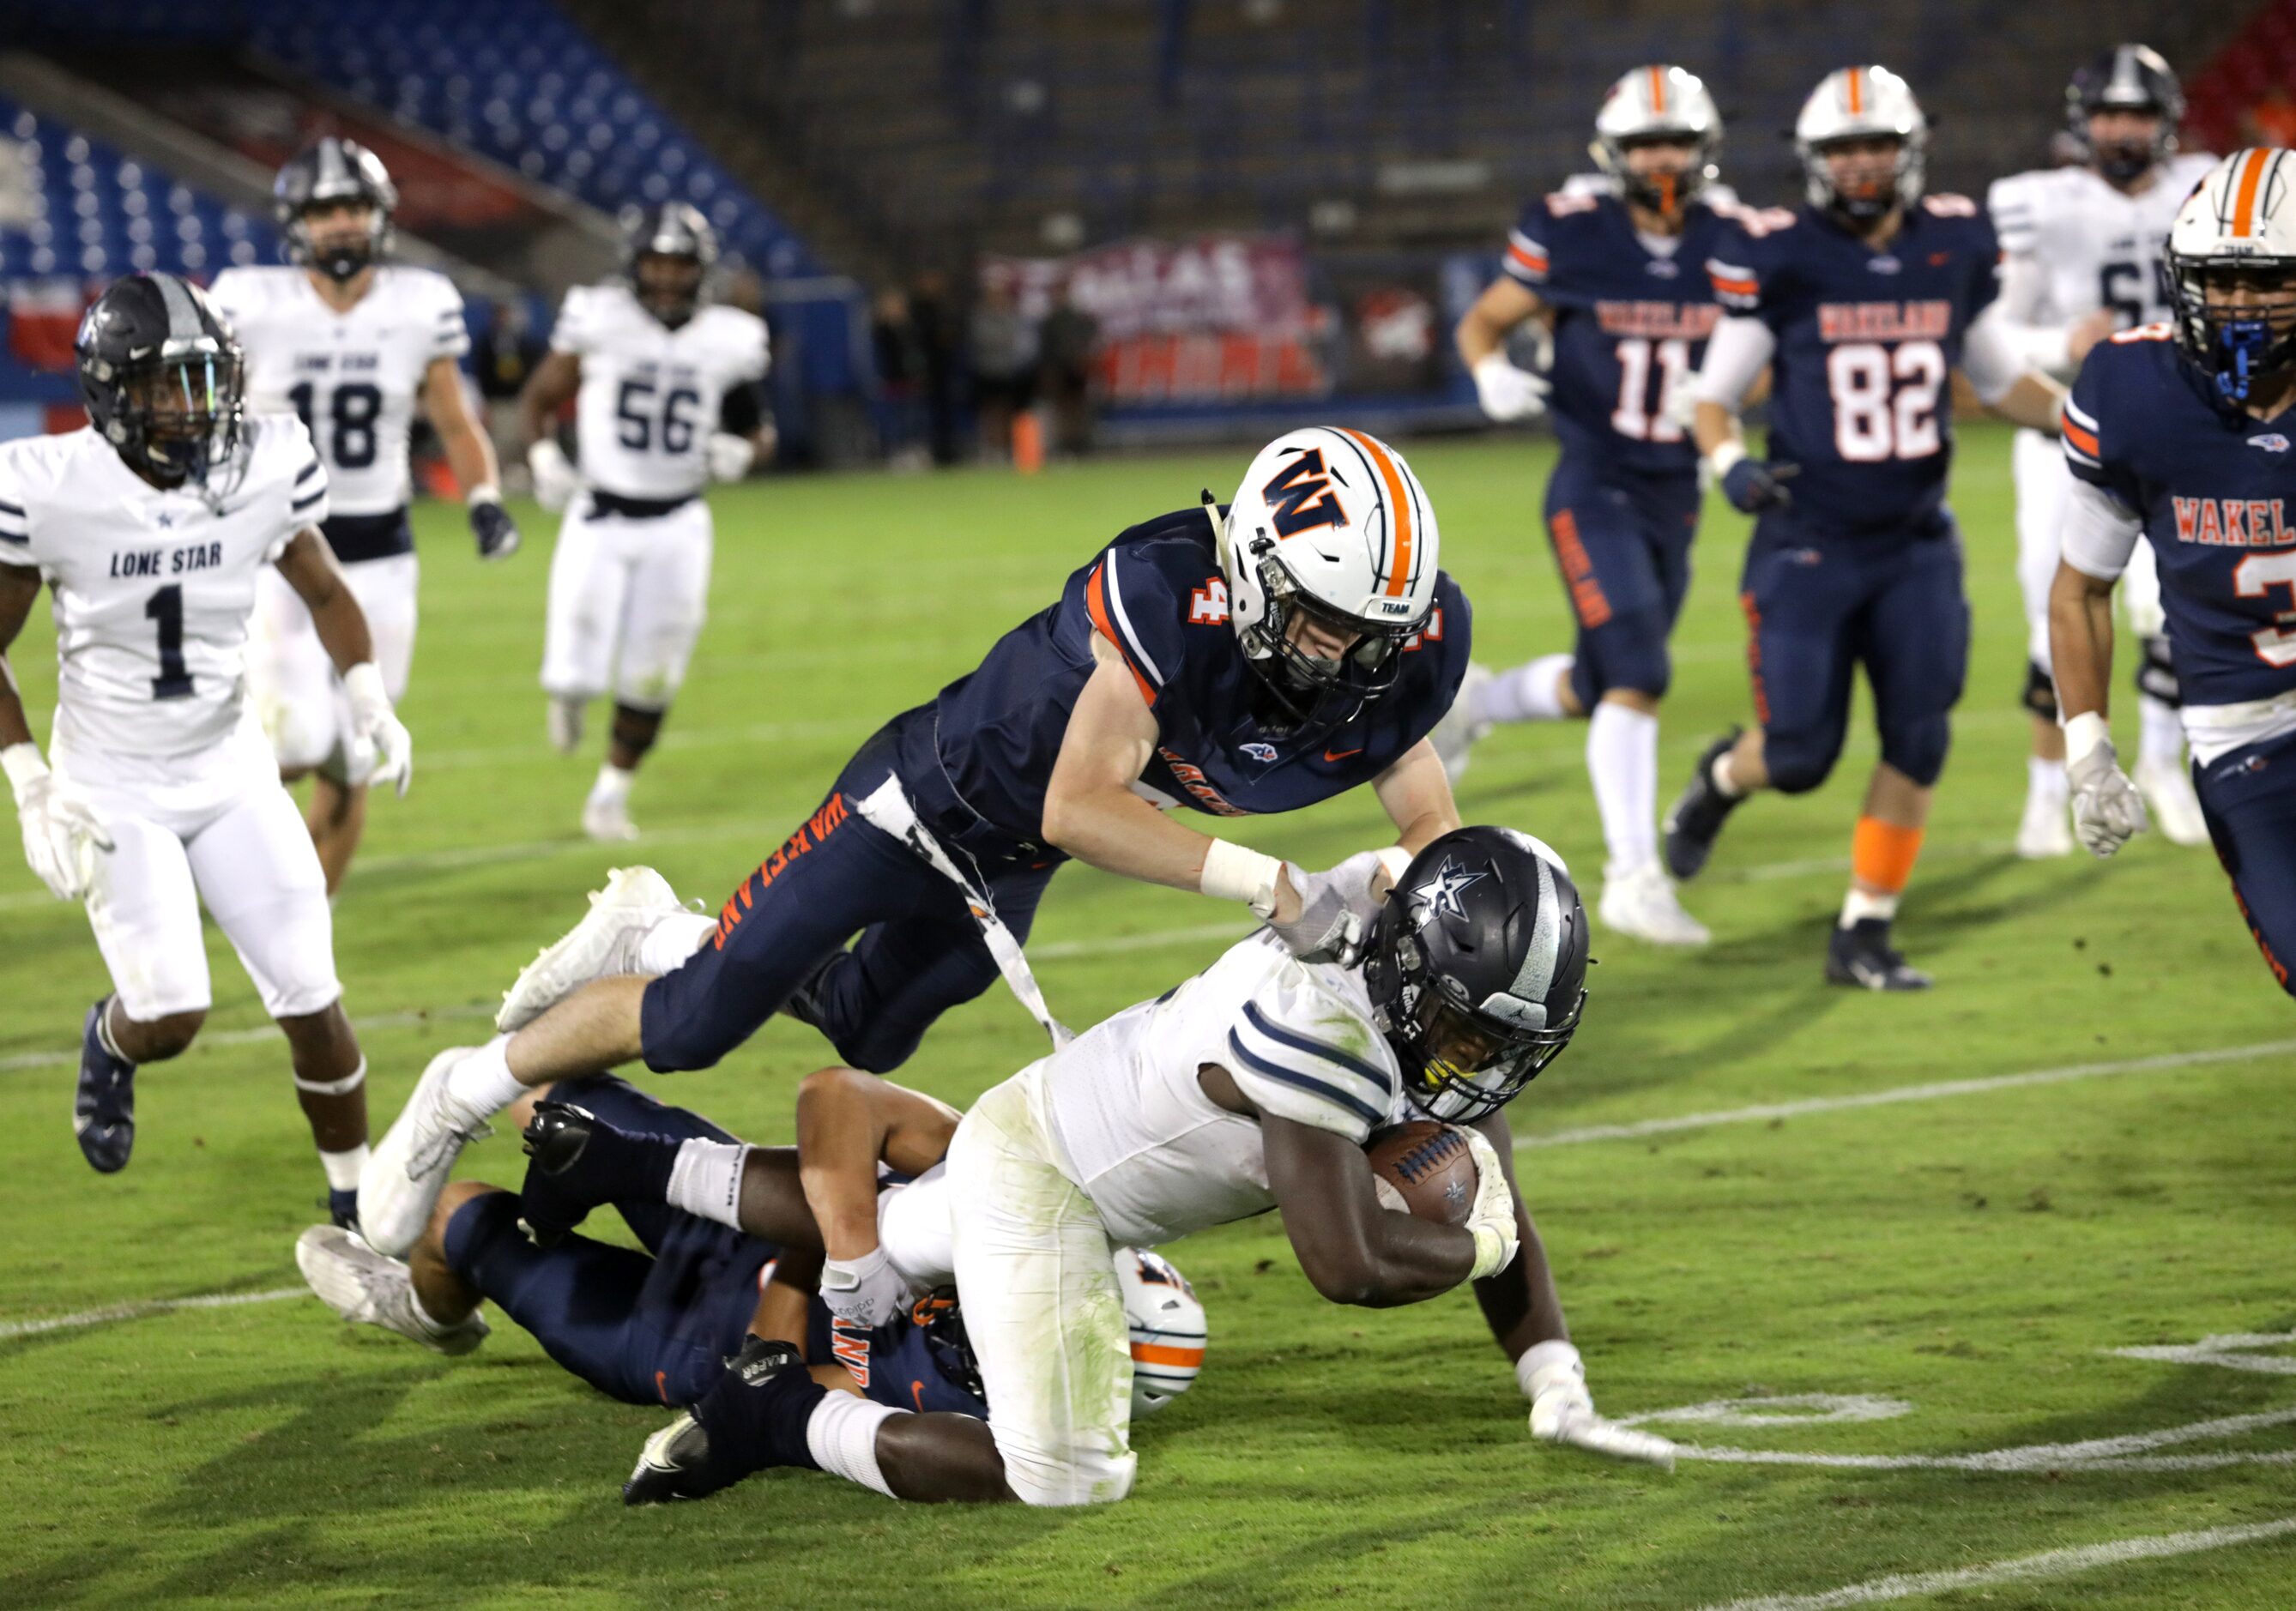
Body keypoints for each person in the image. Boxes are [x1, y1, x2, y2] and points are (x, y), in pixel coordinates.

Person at [356, 426, 1471, 1256]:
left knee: (864, 1027)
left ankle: (662, 926)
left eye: (1374, 632)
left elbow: (1425, 810)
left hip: (1010, 861)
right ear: (1258, 568)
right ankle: (459, 1088)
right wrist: (1272, 883)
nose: (1351, 656)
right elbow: (1078, 803)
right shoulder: (1169, 589)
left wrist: (1441, 911)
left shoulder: (1388, 653)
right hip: (920, 804)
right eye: (1330, 622)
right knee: (697, 1022)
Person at [611, 829, 1671, 1506]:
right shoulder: (1326, 1026)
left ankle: (618, 1144)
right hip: (1050, 1188)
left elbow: (1487, 1163)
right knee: (1065, 1475)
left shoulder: (1410, 968)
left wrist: (1555, 1382)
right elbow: (1348, 1264)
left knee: (882, 1236)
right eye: (1460, 1030)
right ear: (1406, 969)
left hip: (1053, 1126)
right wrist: (1480, 1241)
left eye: (1495, 1044)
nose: (1470, 1063)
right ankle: (780, 1416)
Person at [0, 273, 412, 1223]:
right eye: (165, 387)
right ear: (111, 393)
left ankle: (355, 1205)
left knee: (312, 993)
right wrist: (29, 783)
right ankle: (111, 1038)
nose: (193, 410)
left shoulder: (264, 462)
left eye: (206, 380)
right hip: (113, 782)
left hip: (230, 769)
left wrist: (367, 696)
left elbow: (327, 591)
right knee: (172, 1014)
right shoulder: (52, 487)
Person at [1666, 66, 2070, 990]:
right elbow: (1713, 398)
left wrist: (2089, 424)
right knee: (1801, 756)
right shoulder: (1787, 258)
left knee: (1919, 737)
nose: (1858, 165)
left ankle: (1865, 928)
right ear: (1814, 162)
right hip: (1809, 537)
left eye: (1874, 146)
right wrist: (1729, 465)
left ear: (1908, 151)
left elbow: (1999, 378)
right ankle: (1723, 778)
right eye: (1841, 150)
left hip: (1917, 541)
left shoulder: (1952, 247)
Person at [295, 1068, 1205, 1423]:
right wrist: (843, 1241)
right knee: (549, 1096)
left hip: (690, 1343)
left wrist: (781, 1334)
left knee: (457, 1218)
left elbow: (772, 1399)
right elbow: (842, 1097)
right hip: (739, 1220)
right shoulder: (1000, 1194)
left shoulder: (980, 1423)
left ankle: (427, 1312)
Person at [1440, 63, 1732, 945]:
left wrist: (1728, 416)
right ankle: (1634, 877)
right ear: (1614, 152)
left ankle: (1478, 707)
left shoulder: (1735, 238)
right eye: (1646, 143)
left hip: (1676, 488)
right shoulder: (1573, 231)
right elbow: (1484, 318)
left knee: (1606, 677)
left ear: (1705, 147)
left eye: (1675, 139)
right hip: (1594, 479)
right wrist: (1489, 371)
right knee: (1640, 669)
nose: (1662, 157)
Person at [210, 137, 516, 895]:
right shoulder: (250, 301)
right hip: (281, 550)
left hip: (382, 551)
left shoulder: (421, 303)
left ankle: (307, 914)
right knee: (298, 735)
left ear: (378, 216)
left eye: (352, 207)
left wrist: (484, 499)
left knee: (355, 754)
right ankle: (218, 852)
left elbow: (453, 419)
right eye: (323, 210)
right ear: (296, 223)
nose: (340, 224)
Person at [2048, 148, 2296, 999]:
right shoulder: (2134, 391)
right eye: (2216, 281)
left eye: (2265, 281)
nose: (2236, 305)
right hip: (2247, 731)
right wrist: (2088, 755)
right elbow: (2080, 589)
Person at [1986, 45, 2216, 857]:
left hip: (2178, 430)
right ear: (2085, 122)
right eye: (2112, 113)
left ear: (2167, 122)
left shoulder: (2208, 184)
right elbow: (1994, 333)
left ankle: (2162, 764)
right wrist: (2062, 336)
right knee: (2053, 620)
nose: (2124, 129)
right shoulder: (2035, 202)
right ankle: (2049, 790)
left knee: (2175, 610)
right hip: (2064, 433)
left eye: (2140, 114)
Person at [520, 202, 776, 841]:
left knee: (654, 671)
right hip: (600, 514)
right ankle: (570, 693)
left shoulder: (727, 338)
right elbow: (539, 399)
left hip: (678, 523)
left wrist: (746, 450)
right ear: (634, 266)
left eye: (679, 265)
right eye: (655, 263)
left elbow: (755, 425)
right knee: (574, 667)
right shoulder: (601, 319)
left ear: (702, 272)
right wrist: (543, 451)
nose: (666, 278)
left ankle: (610, 794)